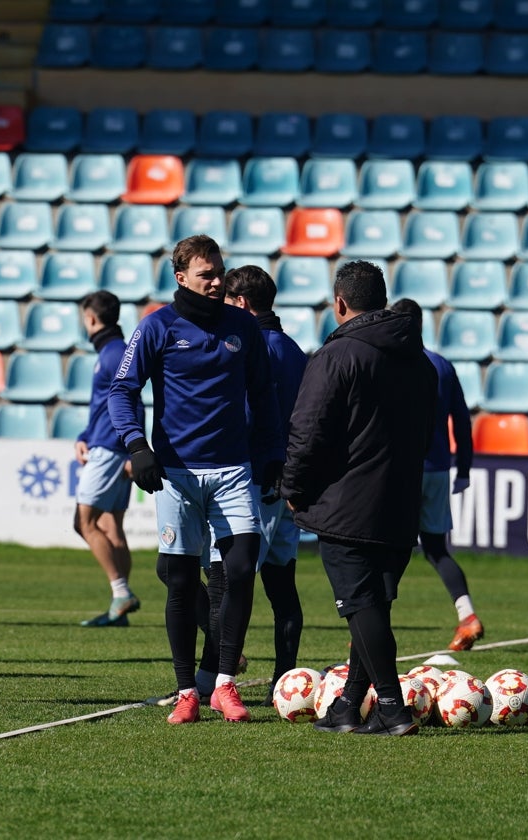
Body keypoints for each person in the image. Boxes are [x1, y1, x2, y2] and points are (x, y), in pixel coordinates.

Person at [109, 234, 282, 725]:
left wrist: (272, 454)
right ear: (181, 277)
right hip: (176, 474)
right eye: (206, 274)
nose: (215, 281)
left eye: (219, 272)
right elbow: (122, 389)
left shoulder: (243, 328)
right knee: (181, 581)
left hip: (232, 471)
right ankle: (188, 690)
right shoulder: (155, 327)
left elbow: (264, 393)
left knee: (243, 567)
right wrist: (136, 445)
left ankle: (225, 684)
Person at [279, 260, 437, 736]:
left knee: (360, 605)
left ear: (340, 303)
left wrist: (294, 488)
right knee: (373, 605)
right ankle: (348, 707)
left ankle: (391, 708)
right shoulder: (421, 360)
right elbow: (426, 434)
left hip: (348, 504)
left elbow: (308, 430)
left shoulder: (337, 355)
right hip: (400, 501)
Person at [221, 265, 308, 700]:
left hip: (254, 479)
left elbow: (252, 417)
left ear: (241, 303)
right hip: (285, 482)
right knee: (282, 586)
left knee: (227, 580)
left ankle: (218, 674)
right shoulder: (294, 349)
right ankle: (284, 679)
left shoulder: (255, 348)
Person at [389, 298, 483, 652]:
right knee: (435, 548)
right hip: (439, 469)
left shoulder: (395, 363)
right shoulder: (442, 365)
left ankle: (367, 630)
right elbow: (461, 420)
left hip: (402, 470)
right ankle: (467, 615)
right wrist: (464, 469)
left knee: (389, 551)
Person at [73, 290, 139, 628]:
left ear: (91, 319)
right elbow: (104, 404)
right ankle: (119, 610)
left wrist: (132, 447)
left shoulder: (114, 354)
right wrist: (85, 435)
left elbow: (131, 400)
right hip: (107, 443)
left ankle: (120, 592)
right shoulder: (113, 352)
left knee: (83, 522)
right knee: (112, 524)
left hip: (111, 448)